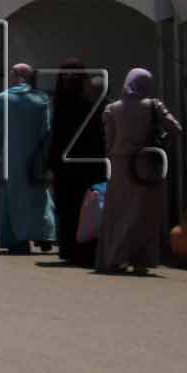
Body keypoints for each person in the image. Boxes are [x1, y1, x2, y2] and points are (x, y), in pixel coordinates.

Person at [95, 68, 181, 274]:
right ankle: (141, 259)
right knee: (144, 213)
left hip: (120, 164)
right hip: (146, 164)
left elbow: (108, 141)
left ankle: (116, 257)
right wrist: (162, 146)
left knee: (118, 211)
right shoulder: (153, 105)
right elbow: (176, 129)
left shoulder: (112, 109)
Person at [0, 62, 55, 254]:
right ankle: (45, 234)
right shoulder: (42, 98)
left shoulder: (5, 98)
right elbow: (47, 129)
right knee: (40, 197)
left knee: (14, 198)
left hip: (13, 158)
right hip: (36, 158)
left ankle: (18, 239)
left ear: (16, 75)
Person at [49, 61, 104, 266]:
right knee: (82, 209)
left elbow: (56, 139)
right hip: (85, 167)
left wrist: (51, 164)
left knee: (70, 209)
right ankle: (81, 250)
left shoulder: (61, 104)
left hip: (69, 168)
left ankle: (71, 250)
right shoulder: (89, 104)